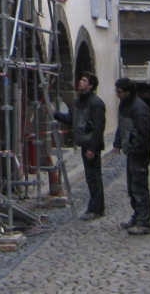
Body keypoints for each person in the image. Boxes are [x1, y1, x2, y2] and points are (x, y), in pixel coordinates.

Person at [53, 72, 106, 219]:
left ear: (90, 85)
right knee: (90, 177)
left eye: (83, 80)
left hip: (91, 145)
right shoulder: (78, 101)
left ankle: (96, 209)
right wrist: (55, 114)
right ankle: (95, 207)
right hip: (84, 143)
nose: (80, 82)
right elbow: (70, 118)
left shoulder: (96, 103)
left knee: (94, 177)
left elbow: (99, 128)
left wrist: (93, 148)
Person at [113, 77, 150, 235]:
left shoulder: (140, 108)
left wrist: (136, 149)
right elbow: (121, 125)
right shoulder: (124, 105)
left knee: (139, 187)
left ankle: (144, 222)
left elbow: (144, 133)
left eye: (120, 92)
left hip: (139, 153)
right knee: (132, 187)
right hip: (132, 152)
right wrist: (117, 142)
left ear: (128, 92)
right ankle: (137, 217)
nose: (117, 94)